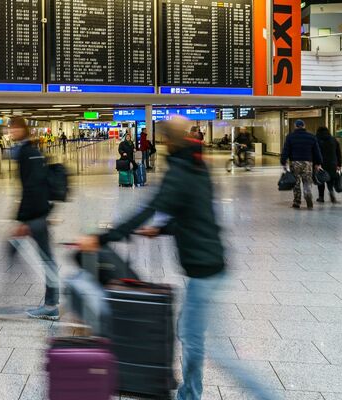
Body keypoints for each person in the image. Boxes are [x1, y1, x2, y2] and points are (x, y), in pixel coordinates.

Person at [77, 117, 228, 400]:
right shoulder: (197, 164)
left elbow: (148, 208)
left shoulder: (181, 169)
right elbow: (193, 214)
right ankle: (189, 393)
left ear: (168, 141)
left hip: (204, 268)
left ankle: (192, 396)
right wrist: (160, 229)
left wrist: (100, 238)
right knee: (190, 332)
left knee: (207, 347)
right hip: (209, 263)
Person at [8, 117, 59, 321]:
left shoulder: (26, 153)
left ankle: (51, 305)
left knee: (47, 260)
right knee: (45, 258)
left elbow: (32, 187)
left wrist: (24, 221)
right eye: (9, 129)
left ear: (23, 129)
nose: (11, 132)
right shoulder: (33, 151)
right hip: (39, 212)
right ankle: (50, 302)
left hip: (36, 215)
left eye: (13, 129)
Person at [280, 120, 323, 209]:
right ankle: (308, 194)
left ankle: (297, 202)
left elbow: (286, 150)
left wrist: (283, 161)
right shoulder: (311, 136)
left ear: (295, 126)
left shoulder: (290, 137)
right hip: (308, 163)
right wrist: (318, 163)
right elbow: (317, 151)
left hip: (295, 162)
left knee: (296, 183)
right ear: (304, 126)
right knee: (307, 181)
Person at [315, 127, 342, 203]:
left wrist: (316, 163)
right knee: (330, 179)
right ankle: (331, 193)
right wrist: (339, 164)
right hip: (332, 163)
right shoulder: (333, 140)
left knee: (321, 180)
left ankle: (321, 197)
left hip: (321, 163)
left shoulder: (316, 140)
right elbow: (338, 153)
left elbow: (314, 153)